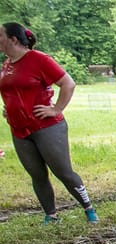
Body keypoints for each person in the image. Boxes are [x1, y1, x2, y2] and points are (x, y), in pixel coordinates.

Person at [0, 22, 99, 224]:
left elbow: (68, 83)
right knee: (37, 174)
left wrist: (56, 109)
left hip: (47, 127)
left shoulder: (38, 59)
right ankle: (51, 216)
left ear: (13, 39)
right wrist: (9, 108)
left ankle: (89, 208)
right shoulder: (7, 64)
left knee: (63, 172)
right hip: (19, 130)